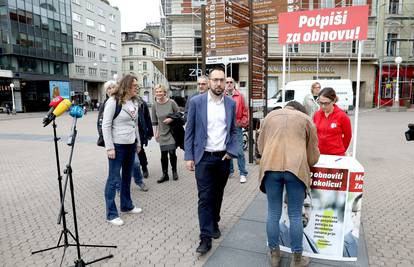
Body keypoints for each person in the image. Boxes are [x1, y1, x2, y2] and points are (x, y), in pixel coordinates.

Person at [258, 101, 320, 267]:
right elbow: (313, 156)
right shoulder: (306, 119)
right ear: (300, 109)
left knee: (273, 212)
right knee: (294, 214)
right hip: (296, 169)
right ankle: (297, 259)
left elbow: (260, 148)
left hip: (271, 167)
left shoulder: (269, 117)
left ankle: (274, 255)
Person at [184, 67, 238, 255]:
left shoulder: (230, 104)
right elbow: (189, 130)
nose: (218, 84)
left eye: (222, 80)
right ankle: (205, 238)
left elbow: (233, 131)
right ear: (208, 81)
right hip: (203, 157)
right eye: (215, 80)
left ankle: (214, 221)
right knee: (205, 198)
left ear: (225, 82)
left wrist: (232, 151)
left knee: (218, 194)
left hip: (223, 157)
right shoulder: (197, 102)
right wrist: (189, 156)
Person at [102, 74, 143, 226]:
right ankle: (111, 214)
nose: (137, 88)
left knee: (127, 177)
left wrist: (138, 142)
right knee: (113, 179)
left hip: (130, 144)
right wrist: (109, 147)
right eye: (134, 86)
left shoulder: (134, 102)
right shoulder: (113, 101)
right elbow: (106, 125)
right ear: (126, 86)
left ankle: (126, 205)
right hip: (117, 146)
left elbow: (135, 124)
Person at [152, 84, 179, 183]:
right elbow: (154, 121)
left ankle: (174, 171)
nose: (158, 93)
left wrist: (171, 119)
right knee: (163, 155)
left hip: (171, 132)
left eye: (160, 91)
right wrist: (156, 133)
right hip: (162, 133)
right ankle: (165, 174)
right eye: (157, 91)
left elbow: (179, 114)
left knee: (172, 153)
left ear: (164, 92)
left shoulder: (171, 103)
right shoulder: (154, 105)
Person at [313, 87, 352, 156]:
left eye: (326, 103)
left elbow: (348, 136)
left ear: (333, 101)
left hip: (336, 155)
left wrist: (340, 150)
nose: (323, 106)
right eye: (320, 103)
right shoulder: (316, 115)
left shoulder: (342, 116)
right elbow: (314, 134)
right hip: (319, 154)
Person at [225, 77, 249, 183]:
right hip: (225, 128)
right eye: (227, 82)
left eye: (231, 82)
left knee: (239, 151)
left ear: (234, 84)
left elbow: (245, 112)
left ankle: (243, 173)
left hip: (236, 127)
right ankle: (230, 171)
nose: (229, 84)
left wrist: (241, 123)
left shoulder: (240, 96)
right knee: (227, 150)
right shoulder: (222, 96)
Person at [136, 93, 154, 178]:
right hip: (129, 131)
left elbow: (147, 118)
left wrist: (150, 132)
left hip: (140, 131)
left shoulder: (142, 103)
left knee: (140, 150)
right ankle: (134, 170)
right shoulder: (124, 101)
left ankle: (144, 168)